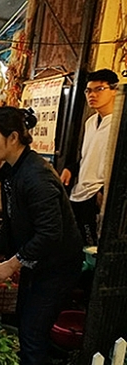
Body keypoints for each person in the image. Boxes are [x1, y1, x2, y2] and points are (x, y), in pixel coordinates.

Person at [0, 106, 83, 365]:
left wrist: (13, 264)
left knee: (33, 335)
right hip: (36, 262)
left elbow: (51, 233)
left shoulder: (36, 176)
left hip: (57, 266)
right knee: (26, 327)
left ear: (12, 137)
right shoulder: (11, 170)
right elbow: (11, 222)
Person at [60, 69, 118, 246]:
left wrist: (104, 191)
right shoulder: (90, 122)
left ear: (114, 90)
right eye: (88, 91)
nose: (92, 95)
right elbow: (89, 155)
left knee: (93, 246)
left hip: (99, 195)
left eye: (99, 89)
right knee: (75, 243)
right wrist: (72, 168)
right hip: (79, 192)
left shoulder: (119, 124)